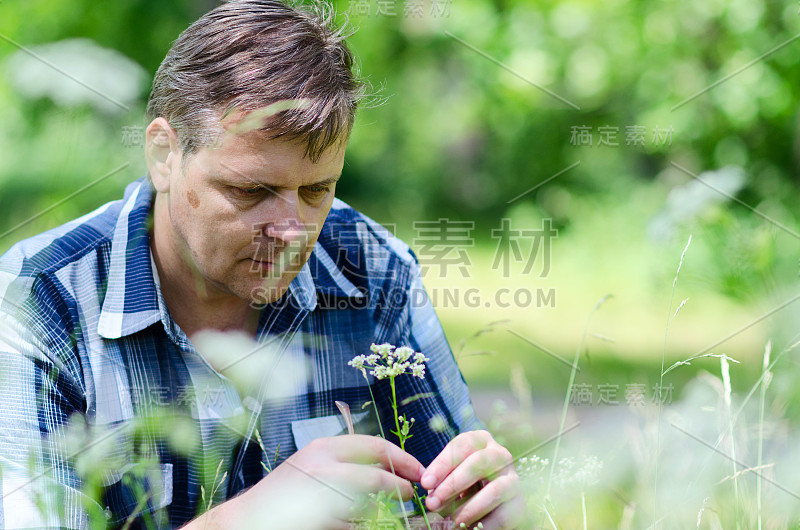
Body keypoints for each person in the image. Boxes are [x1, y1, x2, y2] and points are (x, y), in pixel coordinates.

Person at [0, 1, 524, 528]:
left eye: (317, 190)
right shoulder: (38, 301)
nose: (292, 230)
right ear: (164, 154)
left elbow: (450, 495)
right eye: (251, 191)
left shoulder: (373, 270)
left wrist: (488, 505)